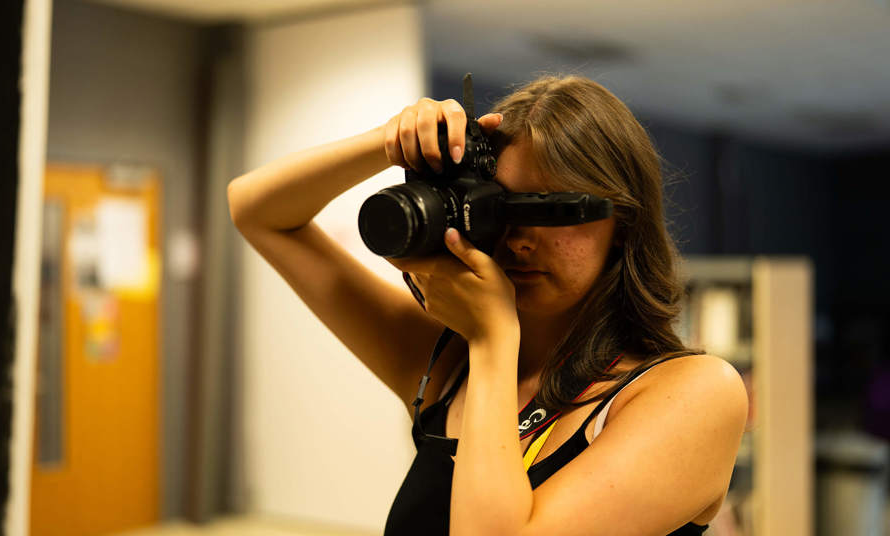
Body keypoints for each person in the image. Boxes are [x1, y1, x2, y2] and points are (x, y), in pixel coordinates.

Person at [227, 75, 748, 535]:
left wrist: (493, 340)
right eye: (503, 207)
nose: (520, 240)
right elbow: (257, 210)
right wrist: (390, 143)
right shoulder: (448, 362)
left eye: (554, 210)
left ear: (623, 225)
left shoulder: (695, 394)